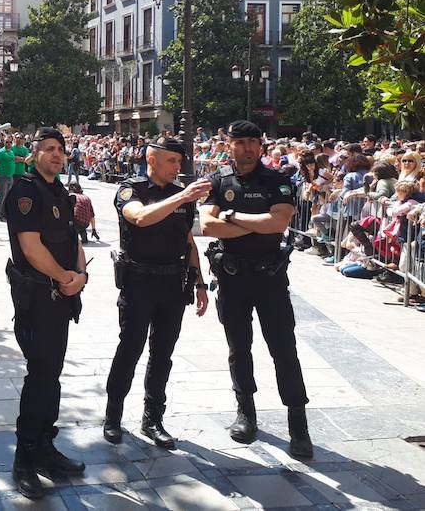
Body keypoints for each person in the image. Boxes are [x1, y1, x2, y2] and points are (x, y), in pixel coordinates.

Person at [199, 120, 313, 460]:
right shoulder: (218, 181)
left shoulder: (277, 181)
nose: (248, 147)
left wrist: (231, 217)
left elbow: (278, 223)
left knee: (284, 349)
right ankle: (246, 412)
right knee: (239, 349)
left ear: (261, 146)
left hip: (270, 279)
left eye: (253, 141)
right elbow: (207, 225)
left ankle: (298, 425)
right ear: (229, 145)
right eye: (241, 142)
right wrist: (253, 222)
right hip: (233, 279)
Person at [103, 137, 210, 449]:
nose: (178, 167)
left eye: (179, 161)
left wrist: (200, 282)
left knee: (162, 354)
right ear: (152, 160)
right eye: (172, 161)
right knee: (130, 349)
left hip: (172, 284)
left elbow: (188, 241)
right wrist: (183, 197)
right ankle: (113, 415)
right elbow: (139, 217)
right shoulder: (130, 189)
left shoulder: (181, 195)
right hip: (138, 282)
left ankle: (153, 418)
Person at [3, 127, 86, 499]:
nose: (56, 154)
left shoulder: (60, 193)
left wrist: (80, 275)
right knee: (40, 375)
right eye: (48, 148)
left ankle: (46, 449)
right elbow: (31, 248)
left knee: (52, 375)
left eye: (60, 149)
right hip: (36, 298)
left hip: (61, 297)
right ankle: (24, 458)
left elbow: (74, 239)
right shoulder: (24, 191)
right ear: (33, 153)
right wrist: (66, 276)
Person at [0, 136, 16, 222]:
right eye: (7, 142)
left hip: (10, 176)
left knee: (7, 196)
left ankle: (4, 214)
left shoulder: (11, 152)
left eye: (10, 142)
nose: (9, 144)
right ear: (3, 142)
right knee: (2, 196)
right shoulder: (0, 153)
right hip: (2, 177)